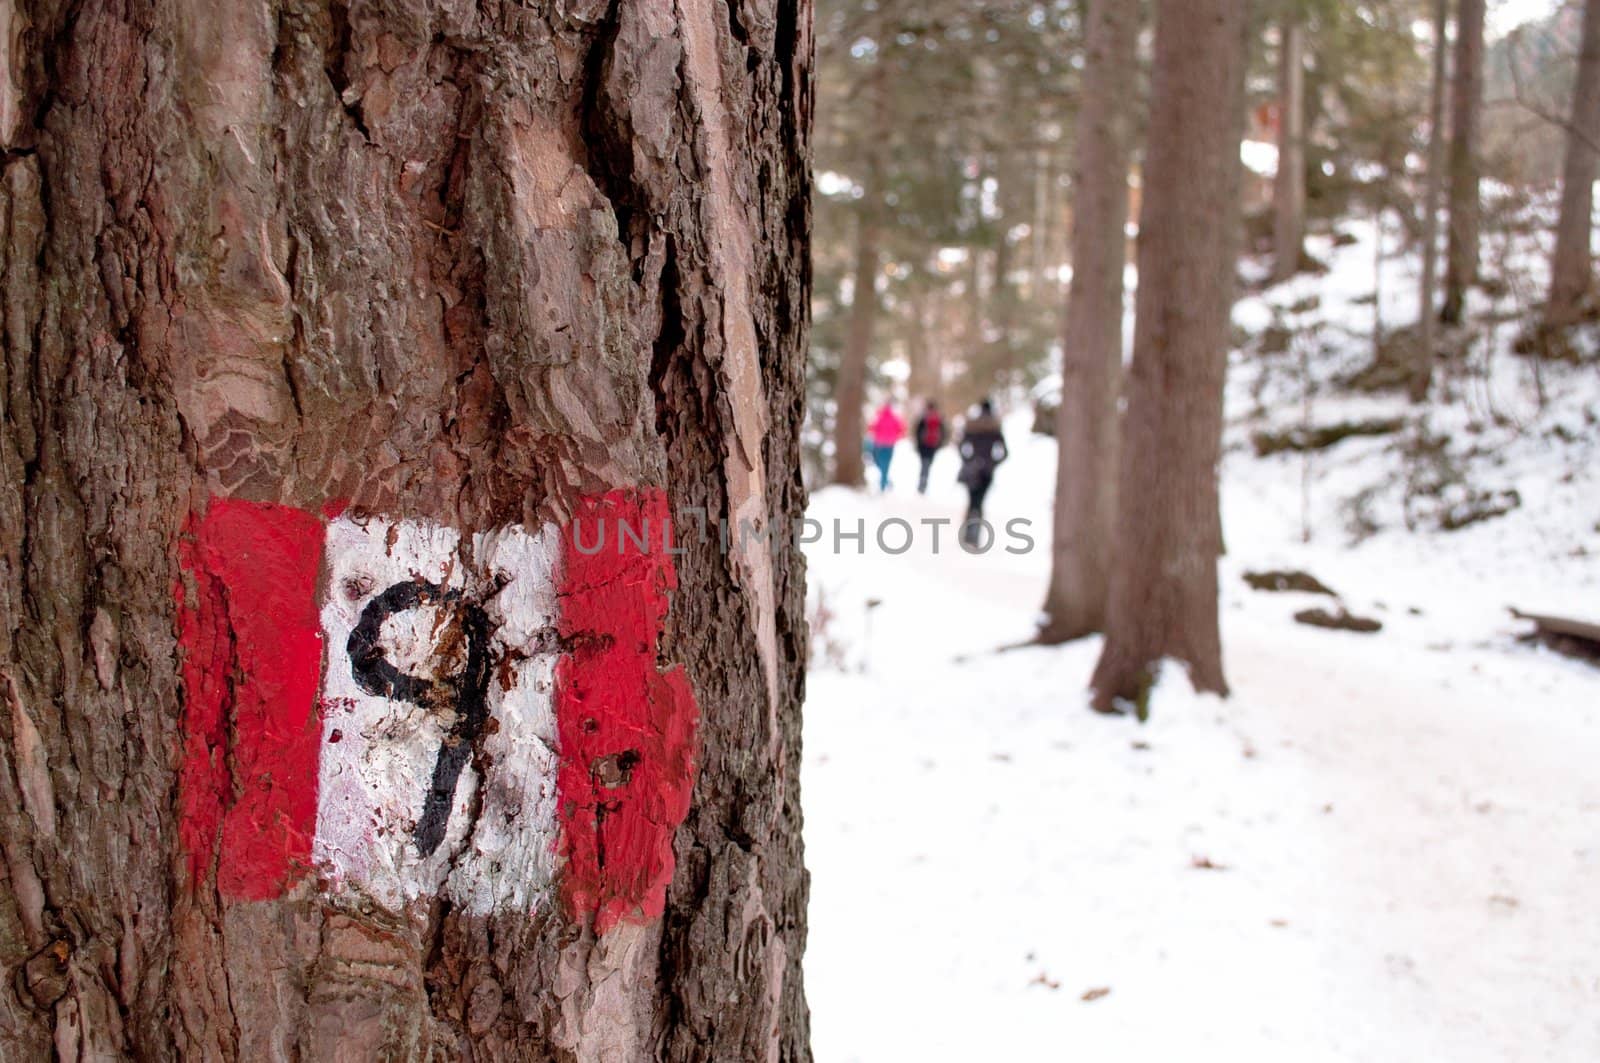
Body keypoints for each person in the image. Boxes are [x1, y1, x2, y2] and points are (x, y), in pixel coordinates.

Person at [957, 398, 1008, 546]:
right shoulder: (995, 426)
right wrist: (993, 463)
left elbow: (961, 446)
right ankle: (975, 536)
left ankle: (967, 534)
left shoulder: (972, 425)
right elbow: (1005, 453)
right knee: (979, 503)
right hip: (987, 471)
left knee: (972, 501)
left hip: (972, 470)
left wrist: (968, 460)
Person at [867, 401, 904, 492]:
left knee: (879, 463)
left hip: (879, 444)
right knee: (885, 464)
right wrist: (895, 438)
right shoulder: (894, 418)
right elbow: (901, 429)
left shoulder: (879, 417)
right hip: (889, 445)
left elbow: (871, 428)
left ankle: (883, 484)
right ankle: (885, 481)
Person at [912, 399, 946, 495]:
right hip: (933, 446)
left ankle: (922, 483)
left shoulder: (923, 418)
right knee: (928, 464)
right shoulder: (939, 418)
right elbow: (943, 433)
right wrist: (939, 444)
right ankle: (924, 482)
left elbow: (917, 432)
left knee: (924, 464)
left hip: (923, 446)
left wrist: (918, 444)